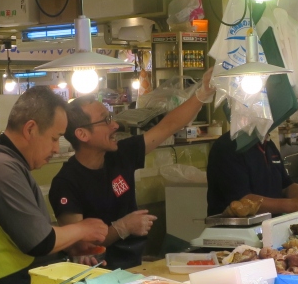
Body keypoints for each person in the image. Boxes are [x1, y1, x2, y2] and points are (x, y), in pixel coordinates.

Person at [0, 86, 108, 284]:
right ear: (30, 129)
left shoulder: (10, 163)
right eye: (55, 138)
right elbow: (39, 242)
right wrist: (83, 229)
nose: (56, 149)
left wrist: (69, 246)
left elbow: (34, 234)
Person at [50, 68, 216, 270]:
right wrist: (122, 228)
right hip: (97, 276)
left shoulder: (120, 154)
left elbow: (168, 126)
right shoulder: (66, 183)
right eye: (106, 120)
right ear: (82, 134)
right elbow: (78, 245)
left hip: (135, 265)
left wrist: (202, 93)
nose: (115, 126)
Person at [205, 129, 298, 217]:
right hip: (235, 234)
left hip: (271, 227)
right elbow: (243, 200)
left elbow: (286, 186)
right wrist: (292, 204)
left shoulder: (268, 145)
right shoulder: (228, 147)